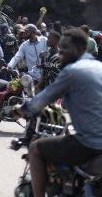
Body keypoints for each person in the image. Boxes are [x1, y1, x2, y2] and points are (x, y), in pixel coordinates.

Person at [15, 28, 102, 197]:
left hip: (90, 143)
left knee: (35, 148)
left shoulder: (72, 71)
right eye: (59, 50)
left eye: (64, 51)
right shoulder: (99, 67)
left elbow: (42, 100)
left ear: (78, 50)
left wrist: (20, 110)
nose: (60, 55)